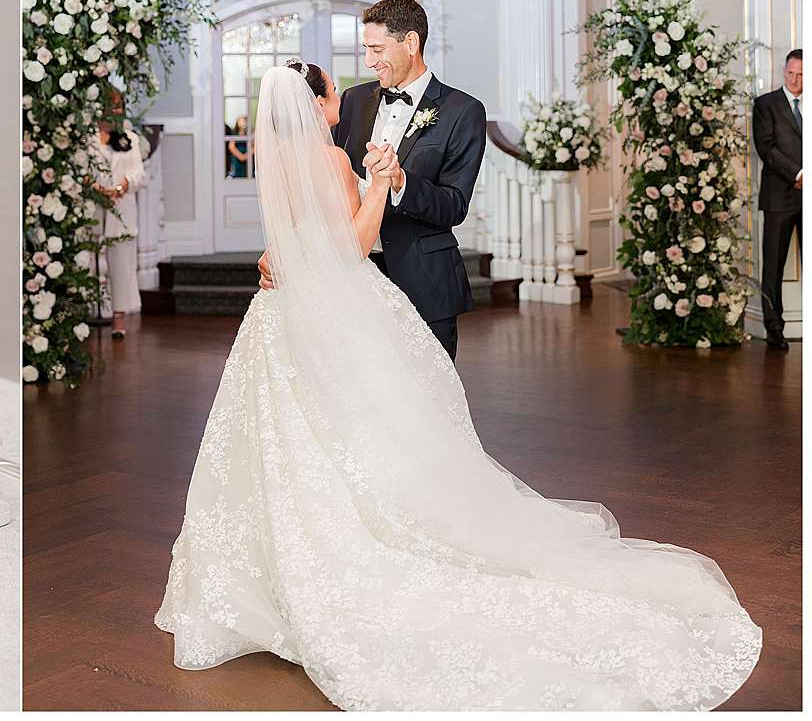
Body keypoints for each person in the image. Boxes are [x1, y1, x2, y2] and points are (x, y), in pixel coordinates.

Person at [155, 62, 760, 709]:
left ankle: (261, 582)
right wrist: (383, 184)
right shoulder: (329, 160)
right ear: (316, 101)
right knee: (358, 429)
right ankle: (356, 537)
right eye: (331, 88)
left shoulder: (277, 159)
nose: (342, 95)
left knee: (284, 443)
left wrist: (278, 256)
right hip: (333, 303)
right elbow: (356, 244)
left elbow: (284, 245)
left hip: (277, 319)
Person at [258, 0, 484, 361]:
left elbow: (454, 205)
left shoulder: (463, 111)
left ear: (411, 43)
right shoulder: (352, 99)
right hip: (350, 287)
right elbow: (316, 185)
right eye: (366, 49)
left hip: (423, 281)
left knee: (427, 404)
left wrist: (399, 181)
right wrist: (283, 250)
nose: (369, 61)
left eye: (377, 49)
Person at [752, 48, 802, 351]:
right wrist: (799, 175)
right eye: (790, 73)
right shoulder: (765, 105)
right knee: (773, 265)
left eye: (801, 75)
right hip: (779, 196)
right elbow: (767, 149)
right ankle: (774, 328)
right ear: (784, 71)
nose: (795, 80)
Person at [92, 116, 148, 338]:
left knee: (121, 265)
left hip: (120, 208)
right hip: (94, 207)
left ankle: (119, 316)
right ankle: (94, 310)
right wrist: (94, 187)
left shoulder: (129, 139)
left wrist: (120, 186)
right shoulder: (87, 140)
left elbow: (139, 175)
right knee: (91, 262)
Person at [225, 114, 249, 178]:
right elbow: (242, 157)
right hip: (237, 166)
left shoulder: (249, 137)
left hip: (247, 166)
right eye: (242, 121)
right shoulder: (234, 137)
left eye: (245, 121)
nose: (244, 123)